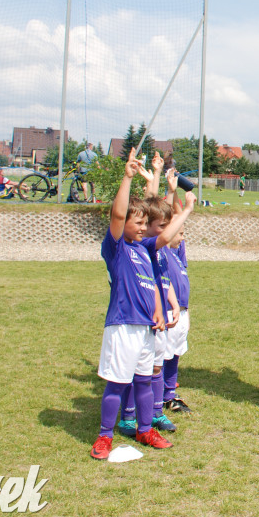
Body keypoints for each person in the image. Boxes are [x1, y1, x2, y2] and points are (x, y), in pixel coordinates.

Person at [90, 148, 195, 460]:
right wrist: (127, 177)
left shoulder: (146, 249)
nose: (139, 226)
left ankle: (146, 429)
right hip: (123, 326)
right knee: (116, 384)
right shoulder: (118, 248)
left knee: (147, 381)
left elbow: (162, 241)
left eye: (141, 223)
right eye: (135, 222)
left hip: (148, 329)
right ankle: (105, 437)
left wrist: (185, 211)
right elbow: (118, 215)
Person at [161, 169, 194, 412]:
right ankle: (159, 394)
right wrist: (172, 192)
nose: (181, 238)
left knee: (175, 354)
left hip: (183, 313)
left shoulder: (178, 252)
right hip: (168, 313)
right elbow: (170, 217)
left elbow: (177, 221)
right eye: (179, 233)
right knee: (162, 356)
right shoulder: (162, 252)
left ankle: (170, 393)